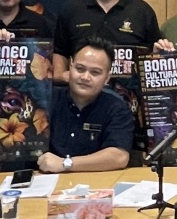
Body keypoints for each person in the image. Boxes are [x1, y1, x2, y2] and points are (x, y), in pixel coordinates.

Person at [37, 36, 134, 173]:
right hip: (45, 182)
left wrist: (65, 164)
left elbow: (119, 157)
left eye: (95, 72)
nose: (85, 77)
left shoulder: (117, 107)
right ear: (70, 66)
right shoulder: (46, 99)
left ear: (107, 78)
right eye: (80, 69)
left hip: (96, 185)